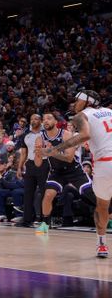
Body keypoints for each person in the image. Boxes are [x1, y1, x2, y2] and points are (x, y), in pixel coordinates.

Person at [44, 91, 111, 257]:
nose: (74, 103)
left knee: (102, 206)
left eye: (78, 100)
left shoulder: (81, 116)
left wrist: (55, 148)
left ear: (88, 101)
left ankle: (102, 244)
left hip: (105, 163)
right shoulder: (110, 112)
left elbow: (85, 135)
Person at [35, 112, 94, 236]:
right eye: (43, 119)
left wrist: (50, 152)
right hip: (56, 172)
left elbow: (69, 158)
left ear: (56, 122)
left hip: (74, 170)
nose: (45, 121)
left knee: (89, 194)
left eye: (49, 118)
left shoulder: (66, 135)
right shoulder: (40, 138)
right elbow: (38, 163)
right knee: (48, 194)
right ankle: (45, 224)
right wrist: (38, 152)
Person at [15, 113, 48, 227]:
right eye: (31, 119)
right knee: (28, 193)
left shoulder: (46, 134)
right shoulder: (25, 135)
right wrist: (19, 167)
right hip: (30, 164)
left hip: (44, 164)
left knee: (44, 192)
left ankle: (45, 220)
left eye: (36, 119)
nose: (33, 121)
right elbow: (24, 153)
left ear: (41, 121)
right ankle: (27, 220)